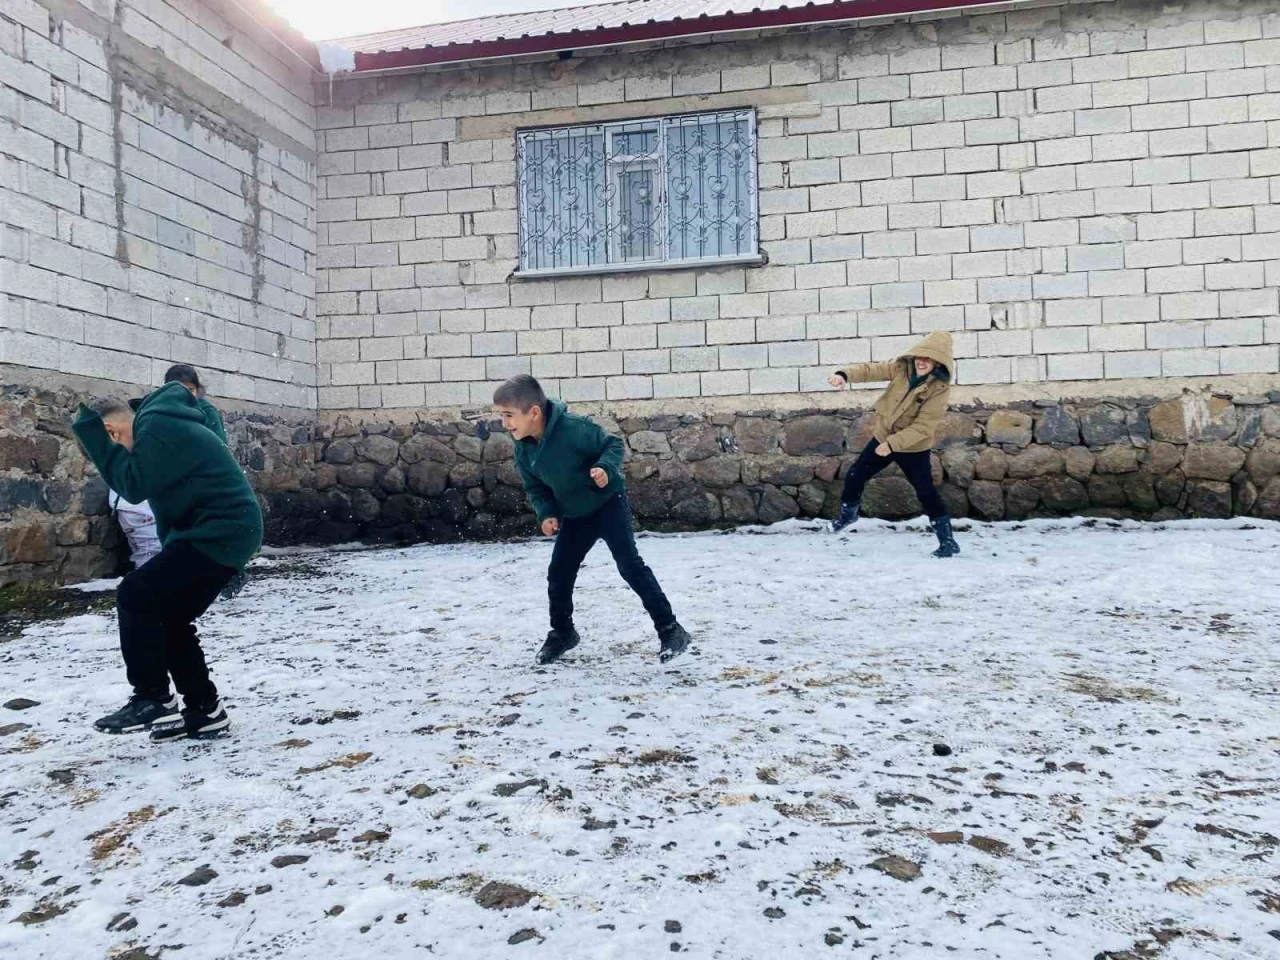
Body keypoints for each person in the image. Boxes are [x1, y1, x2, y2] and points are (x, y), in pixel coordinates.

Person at [72, 383, 263, 741]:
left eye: (109, 446)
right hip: (222, 530)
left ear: (111, 432)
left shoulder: (158, 426)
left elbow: (131, 485)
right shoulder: (160, 424)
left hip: (221, 530)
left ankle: (153, 697)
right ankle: (205, 710)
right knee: (169, 617)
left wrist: (95, 441)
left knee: (135, 593)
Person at [494, 374, 692, 665]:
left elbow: (613, 445)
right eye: (501, 415)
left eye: (509, 415)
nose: (504, 423)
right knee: (559, 573)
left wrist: (604, 468)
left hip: (608, 504)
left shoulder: (574, 429)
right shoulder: (523, 447)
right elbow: (535, 488)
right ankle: (563, 633)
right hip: (575, 515)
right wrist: (547, 513)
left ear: (533, 412)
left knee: (629, 565)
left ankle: (671, 629)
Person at [827, 330, 961, 558]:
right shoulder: (901, 368)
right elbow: (871, 370)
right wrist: (844, 375)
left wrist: (892, 444)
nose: (922, 362)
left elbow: (923, 427)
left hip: (913, 447)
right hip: (883, 437)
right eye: (920, 356)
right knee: (855, 476)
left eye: (929, 359)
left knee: (926, 492)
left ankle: (948, 542)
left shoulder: (939, 389)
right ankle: (848, 515)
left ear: (938, 363)